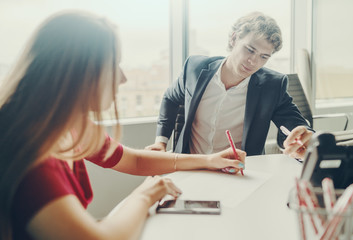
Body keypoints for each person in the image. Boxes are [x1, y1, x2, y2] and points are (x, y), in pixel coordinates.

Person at [0, 11, 246, 240]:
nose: (123, 78)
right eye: (114, 65)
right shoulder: (31, 154)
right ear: (78, 72)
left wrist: (209, 160)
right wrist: (145, 194)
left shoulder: (69, 123)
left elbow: (134, 161)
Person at [146, 12, 314, 161]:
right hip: (191, 165)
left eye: (263, 56)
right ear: (234, 39)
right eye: (249, 50)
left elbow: (295, 122)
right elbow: (170, 98)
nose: (254, 61)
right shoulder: (195, 69)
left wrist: (306, 136)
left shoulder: (273, 85)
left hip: (238, 171)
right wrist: (160, 142)